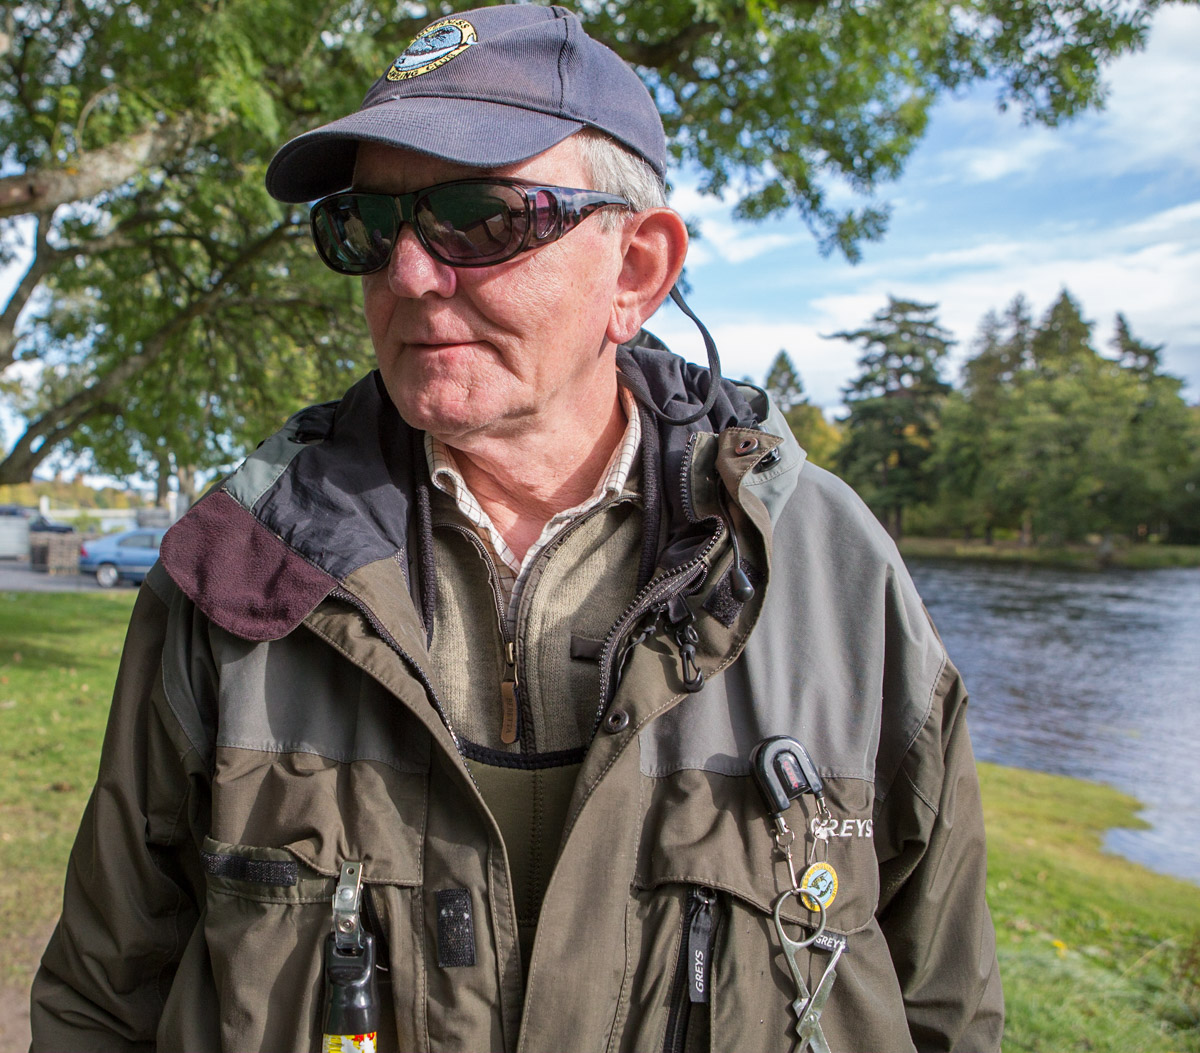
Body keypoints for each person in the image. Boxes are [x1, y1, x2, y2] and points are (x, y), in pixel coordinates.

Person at [30, 5, 1003, 1051]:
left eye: (482, 218)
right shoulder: (240, 573)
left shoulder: (832, 572)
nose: (407, 275)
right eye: (365, 227)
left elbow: (940, 1004)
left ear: (635, 272)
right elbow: (101, 998)